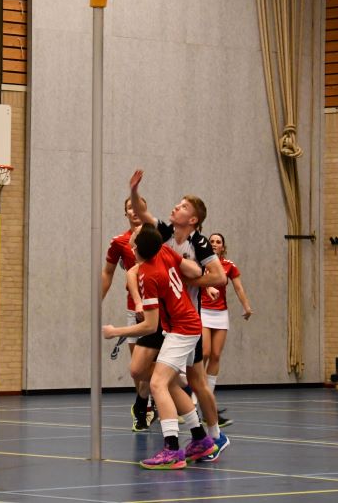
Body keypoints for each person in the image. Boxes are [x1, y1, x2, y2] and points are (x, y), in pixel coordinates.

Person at [128, 169, 230, 461]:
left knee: (196, 382)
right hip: (162, 318)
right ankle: (188, 423)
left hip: (185, 320)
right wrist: (134, 191)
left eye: (183, 206)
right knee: (139, 370)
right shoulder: (165, 232)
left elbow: (219, 278)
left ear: (194, 219)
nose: (176, 207)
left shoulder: (198, 244)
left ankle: (212, 436)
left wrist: (189, 282)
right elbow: (141, 212)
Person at [103, 225, 218, 469]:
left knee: (156, 383)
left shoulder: (149, 275)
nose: (130, 242)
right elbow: (188, 268)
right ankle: (200, 439)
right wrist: (199, 275)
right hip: (185, 324)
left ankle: (172, 449)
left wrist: (116, 332)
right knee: (167, 382)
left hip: (181, 329)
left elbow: (149, 325)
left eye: (133, 240)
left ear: (137, 249)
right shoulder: (164, 253)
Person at [101, 195, 156, 431]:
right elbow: (109, 273)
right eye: (129, 209)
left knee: (160, 363)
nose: (133, 211)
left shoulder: (157, 236)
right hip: (136, 309)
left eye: (137, 207)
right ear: (125, 213)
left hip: (160, 308)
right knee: (138, 366)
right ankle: (144, 406)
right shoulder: (119, 242)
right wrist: (97, 301)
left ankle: (149, 403)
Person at [201, 232, 253, 428]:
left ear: (223, 247)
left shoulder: (229, 265)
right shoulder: (202, 263)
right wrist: (207, 289)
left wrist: (247, 307)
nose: (214, 244)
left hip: (220, 314)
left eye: (218, 242)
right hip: (203, 311)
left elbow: (238, 288)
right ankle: (196, 398)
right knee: (204, 352)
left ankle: (209, 397)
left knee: (215, 355)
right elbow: (197, 281)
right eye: (211, 241)